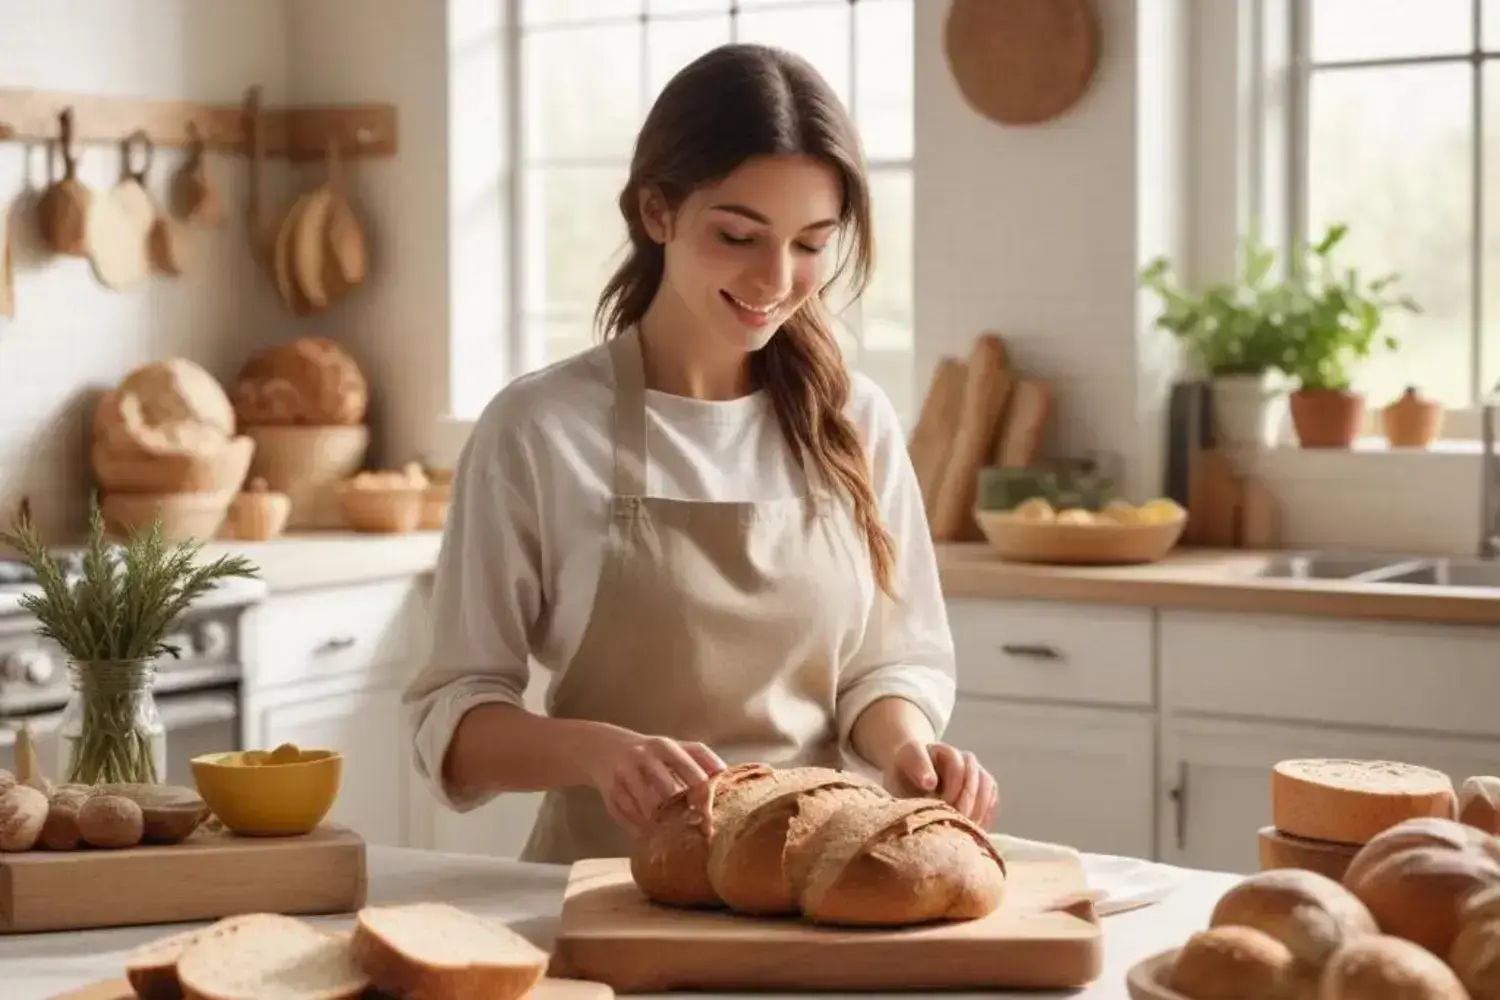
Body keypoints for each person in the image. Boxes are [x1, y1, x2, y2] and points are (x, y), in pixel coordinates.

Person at [403, 42, 998, 865]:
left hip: (807, 886)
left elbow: (888, 665)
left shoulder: (854, 420)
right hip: (598, 890)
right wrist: (598, 753)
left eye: (811, 244)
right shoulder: (539, 429)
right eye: (738, 235)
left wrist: (906, 750)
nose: (776, 279)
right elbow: (452, 718)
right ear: (657, 212)